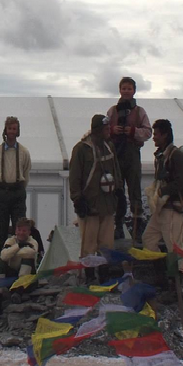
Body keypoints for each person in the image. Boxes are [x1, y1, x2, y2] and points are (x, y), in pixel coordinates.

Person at [69, 114, 122, 284]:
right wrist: (77, 199)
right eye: (106, 128)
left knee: (107, 244)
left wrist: (120, 193)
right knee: (89, 246)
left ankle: (105, 276)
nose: (109, 131)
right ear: (98, 129)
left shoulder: (109, 147)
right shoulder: (81, 149)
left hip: (107, 204)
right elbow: (75, 176)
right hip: (90, 204)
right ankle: (90, 278)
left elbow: (116, 170)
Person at [106, 76, 152, 242]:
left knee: (134, 191)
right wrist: (113, 130)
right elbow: (103, 130)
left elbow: (148, 132)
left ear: (134, 91)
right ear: (120, 90)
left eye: (129, 88)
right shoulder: (112, 111)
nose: (126, 91)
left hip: (132, 153)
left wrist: (132, 131)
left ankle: (137, 227)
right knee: (117, 191)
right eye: (124, 88)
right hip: (116, 154)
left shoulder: (140, 112)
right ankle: (118, 226)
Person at [142, 119, 183, 276]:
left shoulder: (176, 156)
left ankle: (176, 280)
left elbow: (181, 183)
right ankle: (161, 274)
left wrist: (163, 191)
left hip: (172, 208)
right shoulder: (161, 156)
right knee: (148, 239)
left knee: (174, 246)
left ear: (165, 135)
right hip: (161, 209)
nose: (153, 138)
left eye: (156, 134)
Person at [0, 116, 32, 251]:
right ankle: (0, 259)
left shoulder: (24, 152)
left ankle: (18, 258)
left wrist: (19, 188)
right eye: (9, 128)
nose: (12, 131)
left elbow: (26, 171)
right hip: (2, 191)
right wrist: (1, 189)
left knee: (19, 228)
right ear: (5, 130)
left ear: (18, 131)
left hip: (18, 192)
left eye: (14, 129)